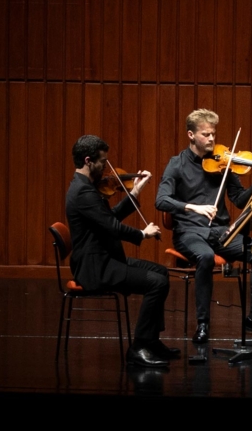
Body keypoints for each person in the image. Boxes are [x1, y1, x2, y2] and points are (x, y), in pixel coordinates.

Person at [155, 108, 252, 344]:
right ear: (191, 135)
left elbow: (240, 200)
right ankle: (203, 323)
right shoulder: (177, 164)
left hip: (221, 232)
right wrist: (193, 207)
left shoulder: (224, 163)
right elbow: (161, 200)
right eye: (206, 134)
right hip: (189, 232)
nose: (212, 139)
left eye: (213, 134)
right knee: (205, 257)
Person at [66, 135, 177, 367]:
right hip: (96, 268)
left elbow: (110, 218)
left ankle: (152, 341)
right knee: (157, 283)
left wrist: (135, 191)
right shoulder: (83, 193)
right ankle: (138, 347)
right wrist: (142, 234)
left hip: (106, 260)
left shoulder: (86, 188)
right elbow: (113, 227)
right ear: (88, 161)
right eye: (102, 162)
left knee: (161, 273)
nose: (106, 167)